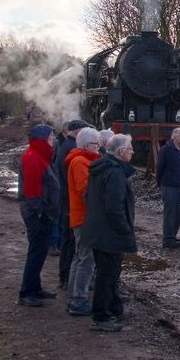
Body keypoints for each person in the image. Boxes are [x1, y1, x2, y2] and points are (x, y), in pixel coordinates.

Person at [82, 133, 137, 332]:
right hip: (109, 233)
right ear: (121, 152)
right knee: (107, 274)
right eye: (130, 148)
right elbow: (114, 208)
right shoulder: (114, 173)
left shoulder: (101, 167)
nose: (132, 152)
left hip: (99, 230)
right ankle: (101, 316)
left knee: (108, 273)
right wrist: (125, 229)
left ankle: (113, 307)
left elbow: (88, 196)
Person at [17, 124, 61, 307]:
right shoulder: (33, 158)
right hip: (36, 213)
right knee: (36, 251)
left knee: (40, 250)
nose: (53, 140)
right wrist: (43, 212)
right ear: (43, 139)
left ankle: (35, 287)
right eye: (51, 137)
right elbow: (32, 191)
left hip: (41, 211)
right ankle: (27, 292)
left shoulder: (39, 155)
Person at [64, 127, 102, 316]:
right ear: (87, 145)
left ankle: (73, 297)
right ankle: (78, 300)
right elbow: (85, 190)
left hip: (83, 216)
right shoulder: (80, 162)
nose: (99, 148)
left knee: (80, 258)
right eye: (96, 144)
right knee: (86, 259)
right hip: (84, 217)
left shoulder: (82, 160)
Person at [51, 120, 86, 259]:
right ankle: (66, 274)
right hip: (69, 198)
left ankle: (66, 273)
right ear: (78, 132)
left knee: (68, 234)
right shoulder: (72, 149)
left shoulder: (68, 145)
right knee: (70, 237)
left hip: (66, 195)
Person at [156, 127, 180, 248]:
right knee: (170, 213)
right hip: (169, 185)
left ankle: (173, 236)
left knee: (178, 213)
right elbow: (159, 167)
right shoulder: (166, 150)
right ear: (174, 136)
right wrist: (160, 183)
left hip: (179, 185)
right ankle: (168, 238)